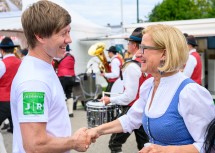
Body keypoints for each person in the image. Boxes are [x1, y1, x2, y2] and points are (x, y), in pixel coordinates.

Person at [86, 24, 215, 153]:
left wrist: (166, 150)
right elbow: (130, 119)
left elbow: (209, 144)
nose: (138, 53)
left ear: (164, 53)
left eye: (144, 48)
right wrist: (97, 130)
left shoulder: (190, 92)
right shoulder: (149, 86)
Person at [10, 1, 91, 153]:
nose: (69, 39)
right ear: (40, 36)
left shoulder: (41, 69)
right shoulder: (34, 81)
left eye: (69, 31)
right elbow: (34, 145)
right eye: (63, 33)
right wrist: (74, 142)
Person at [101, 27, 150, 153]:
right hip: (145, 108)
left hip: (132, 109)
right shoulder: (148, 61)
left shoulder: (132, 66)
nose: (127, 45)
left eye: (128, 42)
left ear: (134, 45)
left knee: (114, 143)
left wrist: (109, 99)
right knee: (144, 145)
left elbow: (129, 96)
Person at [0, 37, 21, 134]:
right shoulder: (21, 62)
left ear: (2, 50)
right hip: (17, 100)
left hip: (3, 101)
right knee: (17, 132)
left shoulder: (2, 64)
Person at [57, 44, 76, 117]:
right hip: (71, 77)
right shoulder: (72, 56)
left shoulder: (61, 56)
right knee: (69, 93)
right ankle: (70, 112)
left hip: (62, 76)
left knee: (61, 94)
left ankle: (62, 112)